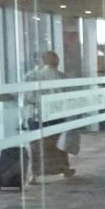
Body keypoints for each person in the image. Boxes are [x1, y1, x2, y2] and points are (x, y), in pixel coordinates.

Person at [25, 50, 75, 182]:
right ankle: (63, 168)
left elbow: (29, 98)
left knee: (37, 146)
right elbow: (69, 98)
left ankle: (35, 174)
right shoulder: (63, 77)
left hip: (39, 116)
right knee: (58, 144)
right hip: (57, 115)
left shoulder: (34, 77)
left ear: (43, 61)